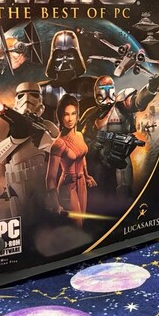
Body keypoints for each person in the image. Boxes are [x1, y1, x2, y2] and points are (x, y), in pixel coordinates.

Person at [0, 82, 59, 226]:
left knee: (44, 225)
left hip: (42, 180)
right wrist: (13, 140)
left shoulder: (47, 125)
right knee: (23, 225)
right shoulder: (5, 122)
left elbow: (64, 152)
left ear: (41, 100)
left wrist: (46, 140)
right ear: (16, 99)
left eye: (34, 95)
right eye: (21, 95)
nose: (27, 99)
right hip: (17, 182)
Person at [46, 94, 96, 226]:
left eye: (73, 113)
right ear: (60, 117)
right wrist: (55, 204)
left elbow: (82, 156)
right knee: (76, 225)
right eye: (66, 114)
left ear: (77, 115)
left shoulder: (79, 135)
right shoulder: (59, 144)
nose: (70, 119)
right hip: (68, 186)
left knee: (82, 222)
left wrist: (87, 176)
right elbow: (50, 177)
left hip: (82, 183)